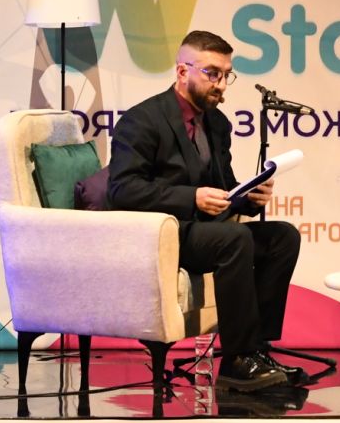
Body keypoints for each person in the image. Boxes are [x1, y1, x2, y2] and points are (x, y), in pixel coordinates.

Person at [108, 30, 304, 392]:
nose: (221, 84)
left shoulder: (217, 123)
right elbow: (122, 189)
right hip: (165, 234)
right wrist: (192, 198)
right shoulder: (142, 120)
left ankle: (258, 350)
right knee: (235, 238)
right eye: (212, 73)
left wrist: (249, 196)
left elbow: (223, 187)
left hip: (207, 231)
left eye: (227, 74)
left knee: (283, 237)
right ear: (183, 71)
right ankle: (237, 360)